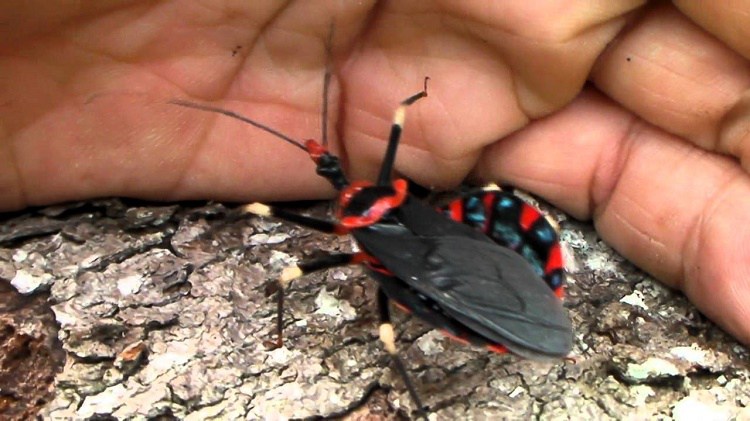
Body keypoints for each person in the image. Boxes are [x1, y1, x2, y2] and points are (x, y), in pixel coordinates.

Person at [1, 3, 748, 348]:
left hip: (436, 259)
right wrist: (405, 102)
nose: (333, 170)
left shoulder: (357, 210)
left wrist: (404, 103)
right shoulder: (375, 208)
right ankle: (438, 355)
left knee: (373, 296)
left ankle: (432, 356)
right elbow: (392, 114)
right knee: (389, 307)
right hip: (433, 261)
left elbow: (390, 116)